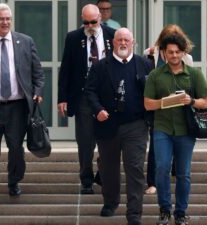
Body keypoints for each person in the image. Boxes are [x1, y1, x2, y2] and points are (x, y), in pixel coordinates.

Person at [0, 3, 44, 206]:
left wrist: (37, 93)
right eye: (1, 18)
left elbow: (38, 74)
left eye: (8, 19)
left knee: (16, 149)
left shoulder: (25, 41)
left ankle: (14, 181)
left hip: (17, 106)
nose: (5, 22)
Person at [85, 28, 153, 225]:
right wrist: (97, 110)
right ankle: (110, 202)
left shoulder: (145, 64)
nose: (123, 43)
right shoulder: (100, 67)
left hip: (136, 125)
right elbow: (90, 92)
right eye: (119, 40)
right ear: (112, 43)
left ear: (133, 43)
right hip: (107, 126)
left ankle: (134, 214)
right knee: (108, 168)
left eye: (127, 40)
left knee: (135, 169)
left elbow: (153, 91)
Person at [144, 34, 207, 225]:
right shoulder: (155, 75)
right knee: (162, 168)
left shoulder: (194, 74)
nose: (174, 55)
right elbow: (147, 104)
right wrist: (166, 102)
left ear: (183, 52)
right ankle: (164, 209)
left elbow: (205, 101)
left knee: (183, 173)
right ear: (163, 53)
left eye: (178, 52)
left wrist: (192, 101)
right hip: (162, 128)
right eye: (170, 52)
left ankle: (181, 212)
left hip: (186, 130)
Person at [57, 3, 115, 194]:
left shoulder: (112, 35)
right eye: (86, 22)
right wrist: (62, 98)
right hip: (82, 95)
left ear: (100, 18)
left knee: (109, 138)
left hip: (107, 95)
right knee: (85, 140)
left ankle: (104, 173)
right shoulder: (74, 37)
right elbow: (66, 68)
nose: (89, 26)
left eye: (93, 21)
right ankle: (86, 179)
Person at [143, 24, 194, 195]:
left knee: (179, 150)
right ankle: (152, 182)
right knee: (156, 149)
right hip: (157, 110)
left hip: (180, 111)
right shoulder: (153, 53)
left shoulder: (187, 59)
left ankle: (173, 172)